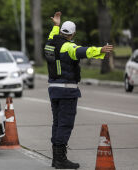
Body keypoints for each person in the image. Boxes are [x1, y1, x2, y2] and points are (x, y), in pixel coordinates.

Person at [44, 12, 113, 169]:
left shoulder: (50, 44)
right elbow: (84, 51)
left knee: (57, 123)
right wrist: (100, 50)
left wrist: (55, 25)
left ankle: (56, 158)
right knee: (65, 124)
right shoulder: (69, 47)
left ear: (61, 31)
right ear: (73, 34)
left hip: (53, 89)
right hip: (67, 91)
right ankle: (60, 159)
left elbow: (52, 36)